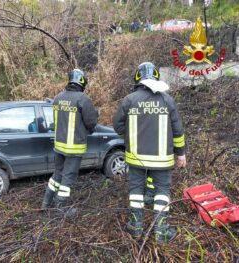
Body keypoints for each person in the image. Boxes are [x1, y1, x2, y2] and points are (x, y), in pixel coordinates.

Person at [113, 62, 186, 243]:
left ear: (137, 78)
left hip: (136, 158)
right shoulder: (167, 100)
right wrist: (181, 154)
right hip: (162, 160)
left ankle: (136, 227)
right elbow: (178, 131)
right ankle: (161, 232)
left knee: (136, 191)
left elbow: (117, 126)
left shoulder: (129, 100)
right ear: (155, 76)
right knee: (162, 192)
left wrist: (131, 133)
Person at [41, 69, 98, 217]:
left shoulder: (58, 97)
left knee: (57, 174)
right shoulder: (83, 99)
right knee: (68, 177)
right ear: (82, 82)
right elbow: (91, 122)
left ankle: (46, 203)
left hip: (59, 146)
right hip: (74, 147)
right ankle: (61, 208)